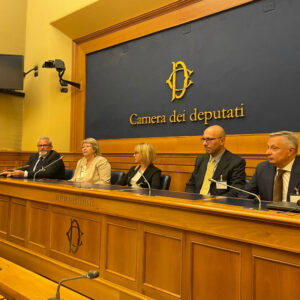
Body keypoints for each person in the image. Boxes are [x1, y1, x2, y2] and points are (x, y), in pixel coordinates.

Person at [185, 125, 246, 196]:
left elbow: (236, 191)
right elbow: (191, 184)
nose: (204, 143)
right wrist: (191, 200)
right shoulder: (200, 159)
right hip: (196, 203)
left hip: (218, 204)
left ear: (222, 141)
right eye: (203, 139)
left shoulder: (236, 162)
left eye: (209, 139)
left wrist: (213, 202)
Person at [245, 131, 300, 201]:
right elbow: (246, 194)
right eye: (268, 147)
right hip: (268, 211)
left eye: (274, 148)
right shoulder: (263, 168)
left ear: (290, 151)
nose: (267, 152)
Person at [0, 136, 65, 179]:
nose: (42, 148)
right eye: (40, 145)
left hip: (53, 185)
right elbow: (27, 167)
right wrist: (10, 172)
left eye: (45, 145)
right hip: (34, 183)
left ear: (51, 147)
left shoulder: (55, 156)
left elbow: (46, 173)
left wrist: (25, 174)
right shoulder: (34, 156)